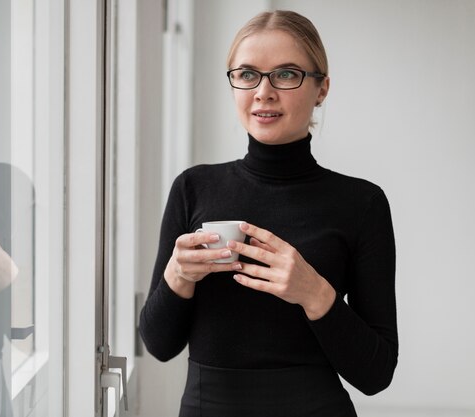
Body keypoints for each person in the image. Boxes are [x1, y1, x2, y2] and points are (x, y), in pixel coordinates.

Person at [139, 9, 398, 417]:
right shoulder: (193, 188)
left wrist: (314, 293)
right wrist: (178, 276)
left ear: (322, 88)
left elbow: (377, 373)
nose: (263, 91)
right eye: (247, 74)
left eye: (286, 74)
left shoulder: (361, 203)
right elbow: (159, 345)